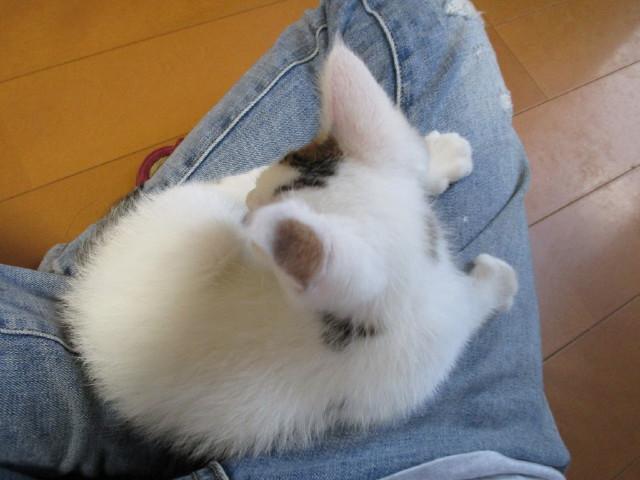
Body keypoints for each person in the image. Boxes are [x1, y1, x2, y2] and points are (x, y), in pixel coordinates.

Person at [0, 1, 569, 478]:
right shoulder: (412, 365)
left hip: (131, 329)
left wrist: (262, 214)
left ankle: (69, 273)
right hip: (149, 363)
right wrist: (486, 285)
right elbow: (480, 292)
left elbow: (289, 222)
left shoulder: (317, 267)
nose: (253, 203)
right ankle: (68, 275)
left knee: (406, 16)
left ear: (309, 274)